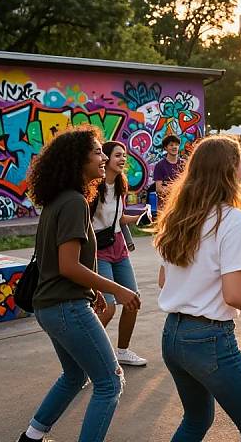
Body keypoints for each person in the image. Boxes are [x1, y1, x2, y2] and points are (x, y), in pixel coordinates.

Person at [154, 135, 241, 441]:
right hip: (209, 340)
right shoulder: (232, 220)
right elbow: (234, 294)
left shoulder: (177, 217)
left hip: (172, 335)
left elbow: (164, 280)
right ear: (232, 169)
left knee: (196, 420)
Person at [19, 126, 140, 442]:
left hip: (52, 306)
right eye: (98, 152)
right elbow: (68, 265)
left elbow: (67, 263)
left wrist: (96, 288)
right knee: (110, 382)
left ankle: (32, 436)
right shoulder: (73, 202)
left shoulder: (60, 200)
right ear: (77, 160)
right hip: (66, 307)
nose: (104, 157)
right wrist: (117, 289)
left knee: (75, 375)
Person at [91, 140, 147, 367]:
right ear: (105, 158)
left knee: (133, 300)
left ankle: (122, 351)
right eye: (117, 155)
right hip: (99, 250)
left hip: (119, 247)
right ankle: (90, 356)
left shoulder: (121, 184)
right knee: (108, 307)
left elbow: (119, 218)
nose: (122, 159)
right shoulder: (94, 187)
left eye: (124, 155)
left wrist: (139, 218)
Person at [153, 134, 184, 202]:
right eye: (171, 145)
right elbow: (159, 189)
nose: (174, 147)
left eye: (176, 145)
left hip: (181, 202)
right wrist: (176, 189)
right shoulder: (160, 165)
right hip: (165, 204)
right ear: (165, 148)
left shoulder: (184, 164)